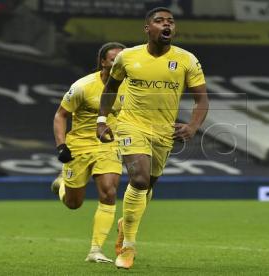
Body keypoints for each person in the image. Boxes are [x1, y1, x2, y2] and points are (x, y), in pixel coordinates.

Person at [96, 7, 209, 269]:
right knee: (139, 178)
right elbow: (111, 88)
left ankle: (127, 224)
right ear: (148, 29)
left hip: (164, 131)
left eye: (170, 21)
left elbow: (202, 99)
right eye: (159, 21)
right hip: (131, 125)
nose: (166, 24)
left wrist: (193, 126)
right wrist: (101, 120)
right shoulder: (127, 57)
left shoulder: (187, 60)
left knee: (148, 186)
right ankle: (128, 247)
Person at [51, 42, 127, 263]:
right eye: (113, 59)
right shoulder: (83, 86)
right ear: (103, 62)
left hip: (108, 145)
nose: (117, 63)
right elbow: (60, 115)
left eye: (121, 60)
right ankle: (62, 185)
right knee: (74, 204)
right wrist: (61, 146)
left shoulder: (130, 87)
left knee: (109, 192)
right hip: (80, 146)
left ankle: (95, 250)